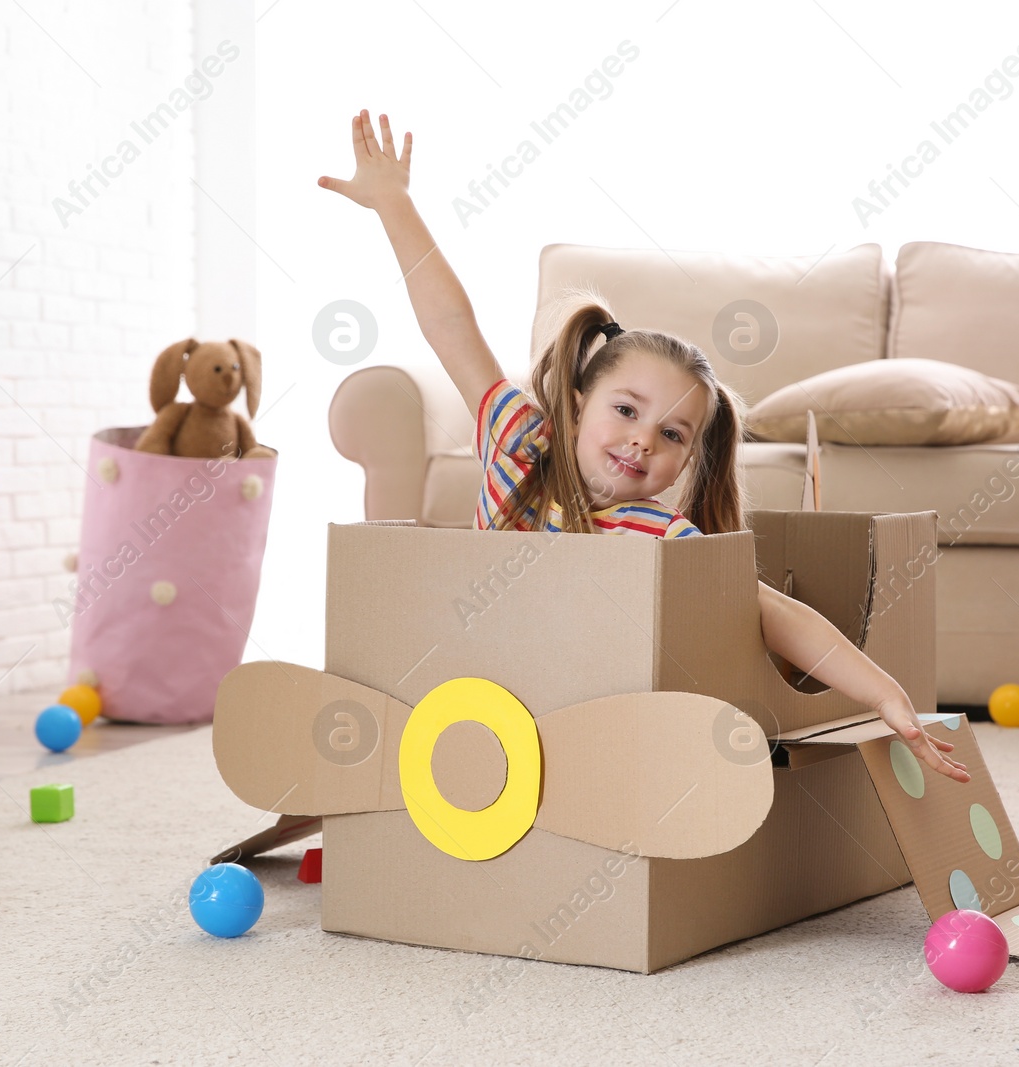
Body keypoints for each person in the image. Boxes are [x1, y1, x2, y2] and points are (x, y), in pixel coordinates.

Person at [319, 109, 969, 783]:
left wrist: (883, 691)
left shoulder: (661, 532)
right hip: (481, 701)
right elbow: (451, 325)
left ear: (687, 460)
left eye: (672, 434)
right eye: (626, 409)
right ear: (575, 407)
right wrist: (393, 202)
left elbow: (776, 613)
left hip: (586, 731)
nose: (641, 439)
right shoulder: (519, 446)